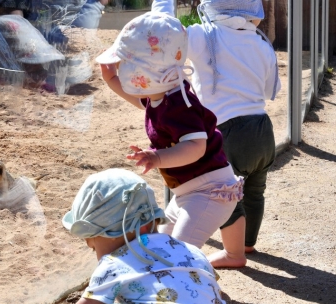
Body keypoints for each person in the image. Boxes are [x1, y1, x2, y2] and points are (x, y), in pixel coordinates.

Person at [17, 168, 241, 304]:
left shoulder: (117, 261)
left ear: (113, 234)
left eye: (93, 242)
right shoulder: (189, 250)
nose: (92, 249)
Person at [95, 0, 245, 266]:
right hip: (188, 194)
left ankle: (199, 297)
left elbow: (197, 147)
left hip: (209, 193)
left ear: (145, 72)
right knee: (160, 246)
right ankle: (197, 287)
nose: (123, 70)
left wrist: (157, 158)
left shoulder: (179, 103)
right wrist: (111, 79)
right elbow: (138, 100)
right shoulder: (160, 94)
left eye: (126, 66)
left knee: (176, 255)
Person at [186, 0, 281, 266]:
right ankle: (247, 244)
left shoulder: (201, 34)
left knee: (224, 194)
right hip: (262, 129)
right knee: (254, 190)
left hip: (225, 130)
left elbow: (170, 50)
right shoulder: (262, 44)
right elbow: (269, 91)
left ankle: (233, 253)